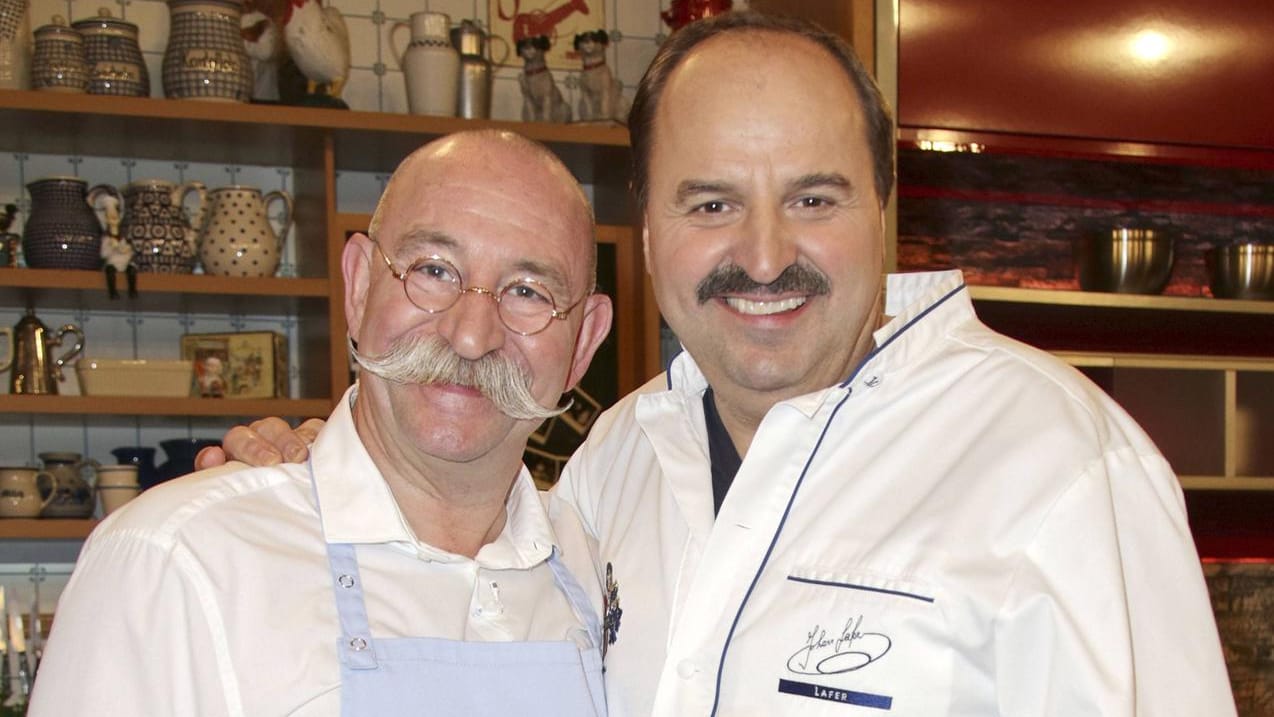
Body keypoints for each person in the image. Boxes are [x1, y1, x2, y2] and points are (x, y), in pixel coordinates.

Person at [205, 11, 1236, 717]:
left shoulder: (1062, 466)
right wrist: (318, 478)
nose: (761, 254)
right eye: (709, 204)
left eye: (812, 198)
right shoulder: (618, 458)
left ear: (885, 212)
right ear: (648, 232)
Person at [28, 130, 614, 716]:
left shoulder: (606, 571)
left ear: (583, 343)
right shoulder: (174, 559)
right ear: (359, 285)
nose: (471, 335)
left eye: (528, 291)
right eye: (434, 270)